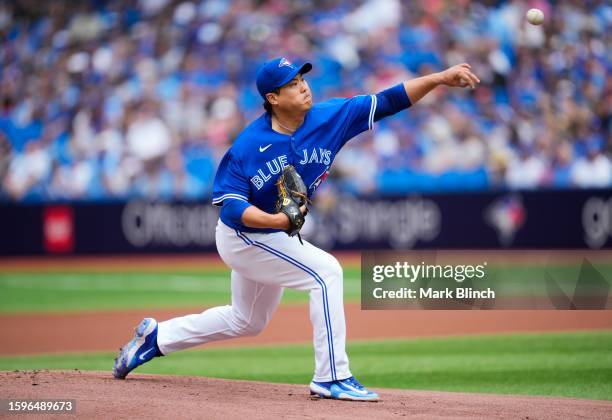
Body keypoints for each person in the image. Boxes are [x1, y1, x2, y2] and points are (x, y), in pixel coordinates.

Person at [113, 57, 480, 401]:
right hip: (243, 237)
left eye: (302, 79)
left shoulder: (331, 116)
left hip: (273, 234)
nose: (303, 87)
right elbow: (232, 207)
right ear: (272, 98)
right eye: (292, 84)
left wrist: (439, 78)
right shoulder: (249, 145)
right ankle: (331, 376)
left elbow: (389, 100)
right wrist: (276, 221)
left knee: (247, 320)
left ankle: (156, 337)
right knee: (326, 273)